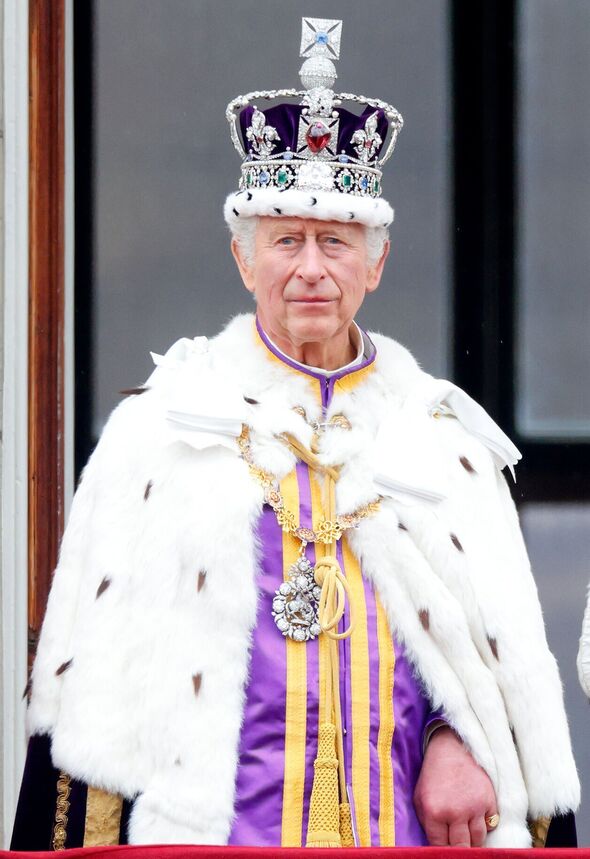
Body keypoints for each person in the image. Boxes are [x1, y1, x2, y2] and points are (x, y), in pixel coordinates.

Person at [12, 17, 579, 850]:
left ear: (375, 264)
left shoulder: (445, 445)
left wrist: (457, 736)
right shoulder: (157, 435)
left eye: (335, 242)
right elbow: (93, 705)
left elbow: (489, 676)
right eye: (286, 240)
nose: (311, 267)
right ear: (245, 260)